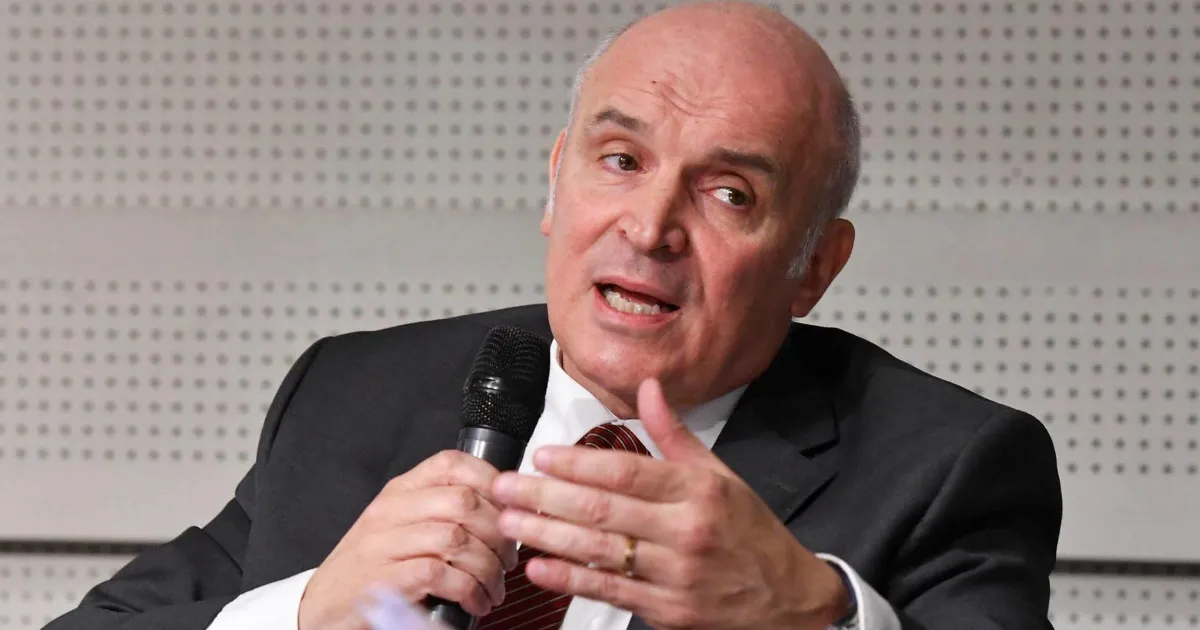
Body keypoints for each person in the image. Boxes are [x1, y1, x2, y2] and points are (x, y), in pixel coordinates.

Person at [43, 2, 1062, 630]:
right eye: (621, 161)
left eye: (729, 194)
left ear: (815, 268)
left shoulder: (947, 467)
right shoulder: (355, 394)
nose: (650, 226)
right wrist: (309, 614)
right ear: (555, 183)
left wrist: (812, 615)